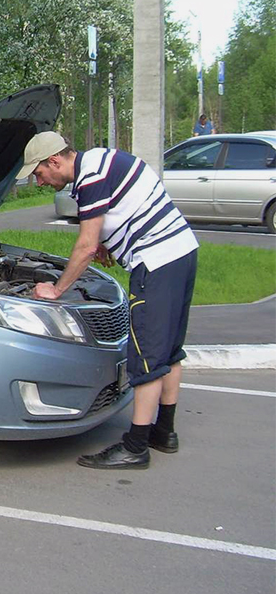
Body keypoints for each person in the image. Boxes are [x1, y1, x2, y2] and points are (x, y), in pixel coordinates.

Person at [19, 131, 199, 470]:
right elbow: (118, 211)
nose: (40, 181)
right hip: (183, 252)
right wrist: (109, 242)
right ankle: (165, 432)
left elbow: (86, 245)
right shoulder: (101, 161)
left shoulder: (90, 177)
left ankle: (135, 446)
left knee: (145, 356)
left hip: (157, 262)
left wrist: (56, 290)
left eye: (39, 173)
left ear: (54, 160)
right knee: (170, 350)